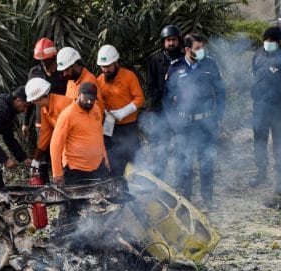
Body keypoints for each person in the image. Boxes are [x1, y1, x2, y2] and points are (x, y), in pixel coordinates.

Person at [163, 33, 226, 211]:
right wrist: (172, 122)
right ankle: (187, 202)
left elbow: (221, 92)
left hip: (206, 123)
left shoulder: (210, 65)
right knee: (185, 163)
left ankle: (208, 200)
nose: (201, 51)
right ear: (187, 50)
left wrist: (218, 116)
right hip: (184, 124)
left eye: (202, 47)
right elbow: (166, 98)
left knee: (207, 161)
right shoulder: (175, 68)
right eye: (197, 48)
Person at [249, 27, 281, 194]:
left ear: (278, 42)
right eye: (266, 39)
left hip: (279, 108)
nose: (268, 43)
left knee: (279, 142)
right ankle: (261, 172)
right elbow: (255, 75)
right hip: (260, 107)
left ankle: (280, 178)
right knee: (259, 141)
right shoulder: (257, 55)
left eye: (272, 40)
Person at [96, 44, 145, 177]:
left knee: (134, 161)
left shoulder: (129, 76)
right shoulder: (99, 81)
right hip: (110, 129)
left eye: (108, 66)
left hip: (129, 127)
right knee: (113, 163)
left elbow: (140, 98)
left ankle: (137, 192)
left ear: (116, 63)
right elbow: (99, 103)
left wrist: (125, 111)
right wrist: (105, 112)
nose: (105, 69)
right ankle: (117, 193)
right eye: (103, 67)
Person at [50, 82, 110, 186]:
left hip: (97, 166)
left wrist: (105, 158)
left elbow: (99, 135)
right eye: (86, 98)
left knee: (105, 196)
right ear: (78, 95)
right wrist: (57, 172)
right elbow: (55, 144)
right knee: (77, 201)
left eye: (92, 99)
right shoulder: (68, 115)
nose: (89, 102)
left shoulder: (96, 109)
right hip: (76, 170)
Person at [145, 24, 184, 180]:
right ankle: (159, 181)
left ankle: (181, 180)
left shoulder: (184, 59)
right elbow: (150, 85)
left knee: (181, 147)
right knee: (160, 147)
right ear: (163, 42)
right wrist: (163, 99)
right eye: (168, 40)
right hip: (161, 111)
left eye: (174, 40)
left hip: (181, 111)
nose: (171, 43)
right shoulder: (155, 60)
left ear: (178, 41)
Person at [24, 77, 74, 181]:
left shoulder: (63, 105)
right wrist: (36, 159)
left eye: (33, 101)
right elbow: (44, 136)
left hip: (77, 148)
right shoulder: (45, 109)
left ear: (39, 98)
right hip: (67, 149)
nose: (33, 103)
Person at [21, 38, 68, 136]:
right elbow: (30, 98)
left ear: (54, 57)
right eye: (41, 60)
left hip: (61, 120)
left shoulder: (64, 72)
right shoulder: (34, 73)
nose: (43, 63)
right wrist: (25, 122)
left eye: (46, 60)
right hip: (41, 122)